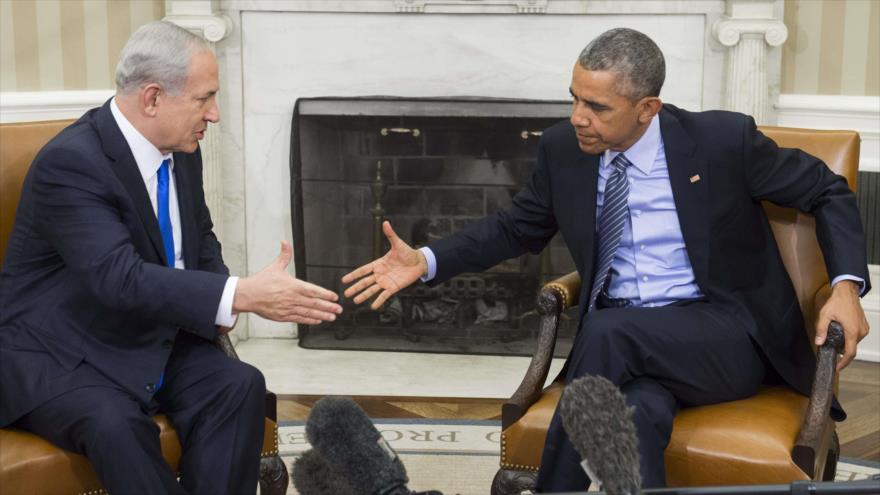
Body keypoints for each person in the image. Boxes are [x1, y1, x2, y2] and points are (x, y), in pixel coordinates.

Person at [341, 28, 871, 491]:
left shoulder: (719, 141)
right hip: (628, 347)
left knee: (607, 332)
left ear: (647, 109)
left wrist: (847, 286)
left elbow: (828, 190)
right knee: (637, 412)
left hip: (722, 333)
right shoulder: (563, 149)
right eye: (574, 98)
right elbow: (515, 227)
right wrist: (427, 260)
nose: (578, 118)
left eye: (597, 107)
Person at [0, 21, 342, 494]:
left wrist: (219, 313)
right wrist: (239, 294)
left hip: (146, 338)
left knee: (239, 386)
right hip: (64, 353)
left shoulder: (181, 148)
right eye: (204, 98)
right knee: (116, 424)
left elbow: (199, 237)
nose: (215, 114)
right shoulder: (73, 163)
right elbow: (118, 278)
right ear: (153, 98)